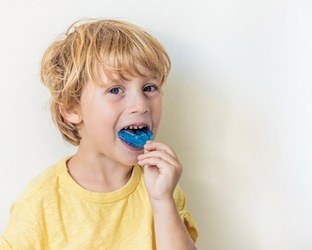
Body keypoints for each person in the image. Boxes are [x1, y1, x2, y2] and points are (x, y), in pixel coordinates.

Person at [0, 19, 198, 249]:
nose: (141, 105)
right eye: (115, 90)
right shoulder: (39, 204)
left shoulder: (160, 185)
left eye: (149, 88)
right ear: (72, 108)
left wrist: (163, 200)